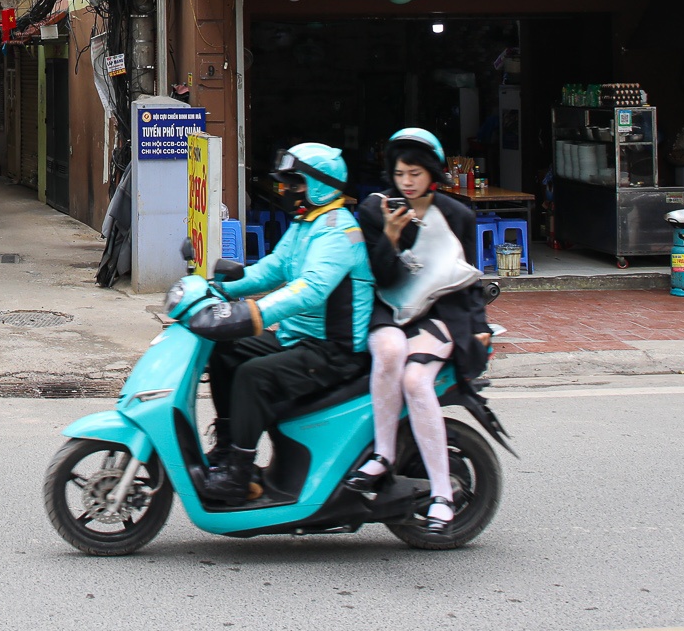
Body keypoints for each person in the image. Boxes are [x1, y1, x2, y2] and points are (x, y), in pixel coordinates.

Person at [189, 142, 374, 504]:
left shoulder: (338, 231)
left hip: (334, 351)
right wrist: (218, 289)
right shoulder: (308, 223)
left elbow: (311, 289)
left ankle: (238, 476)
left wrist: (255, 314)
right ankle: (228, 449)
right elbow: (273, 268)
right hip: (299, 339)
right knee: (224, 350)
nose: (287, 190)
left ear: (318, 184)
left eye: (295, 182)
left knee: (252, 376)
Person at [348, 128, 493, 532]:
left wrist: (479, 326)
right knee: (390, 353)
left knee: (416, 382)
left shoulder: (458, 215)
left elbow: (467, 278)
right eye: (399, 174)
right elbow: (384, 278)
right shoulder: (376, 212)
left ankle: (443, 495)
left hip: (439, 315)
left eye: (414, 173)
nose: (406, 182)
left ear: (432, 173)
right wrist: (391, 238)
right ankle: (382, 455)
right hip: (391, 310)